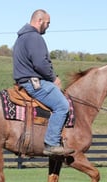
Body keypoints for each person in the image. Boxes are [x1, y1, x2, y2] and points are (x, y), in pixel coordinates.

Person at [12, 9, 74, 156]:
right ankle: (51, 143)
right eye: (47, 23)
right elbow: (40, 63)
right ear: (39, 21)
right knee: (62, 105)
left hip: (23, 81)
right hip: (33, 82)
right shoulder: (34, 37)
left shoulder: (22, 37)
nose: (48, 26)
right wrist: (54, 78)